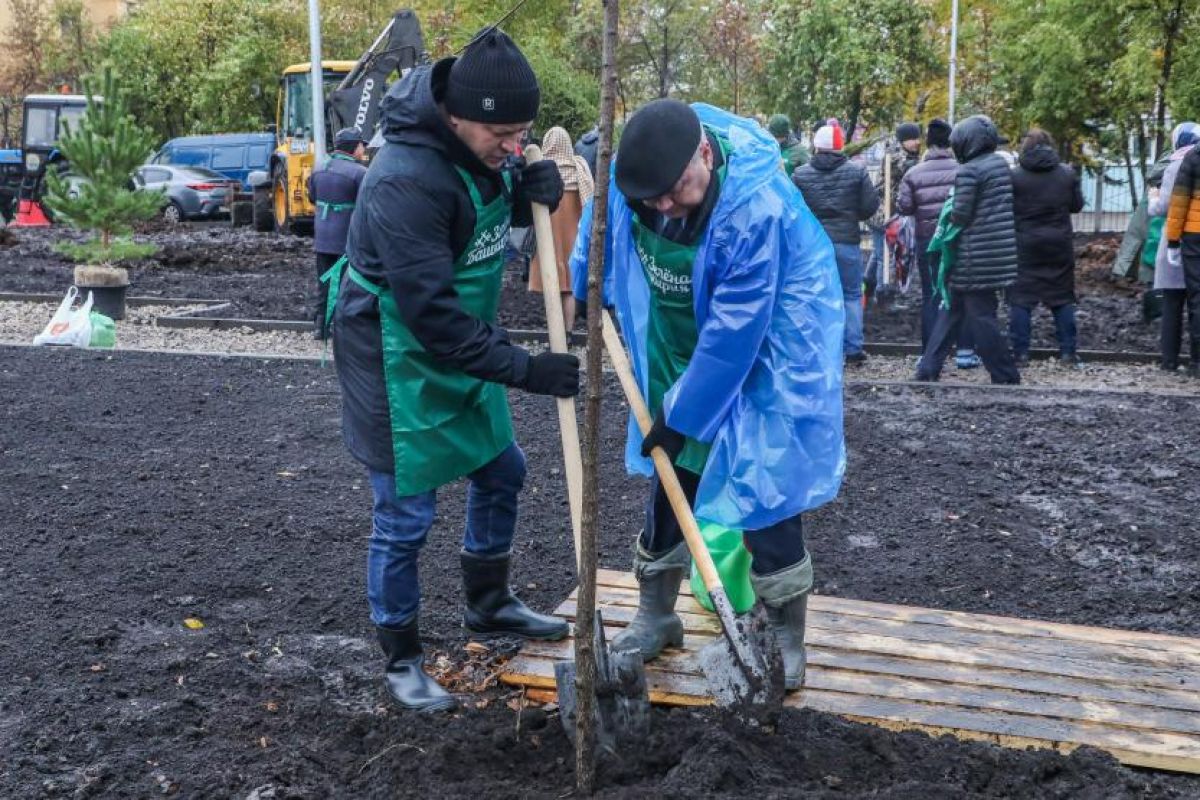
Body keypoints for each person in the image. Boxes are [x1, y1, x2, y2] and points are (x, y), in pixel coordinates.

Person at [325, 29, 578, 714]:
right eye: (503, 134)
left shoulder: (475, 148)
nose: (514, 145)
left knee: (503, 470)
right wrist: (527, 369)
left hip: (462, 340)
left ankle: (488, 604)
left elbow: (479, 213)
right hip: (396, 353)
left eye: (522, 133)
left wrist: (527, 192)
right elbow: (432, 318)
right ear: (455, 116)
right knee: (405, 512)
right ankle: (402, 659)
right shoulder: (404, 181)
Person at [569, 99, 845, 692]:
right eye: (653, 200)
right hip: (677, 339)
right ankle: (656, 614)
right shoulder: (633, 181)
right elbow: (598, 233)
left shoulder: (754, 207)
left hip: (767, 348)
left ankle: (784, 634)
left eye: (677, 191)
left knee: (763, 483)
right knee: (672, 474)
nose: (665, 207)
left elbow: (735, 331)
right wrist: (584, 284)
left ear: (704, 153)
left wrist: (682, 413)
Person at [915, 114, 1020, 384]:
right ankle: (927, 369)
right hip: (994, 251)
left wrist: (945, 216)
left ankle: (1005, 375)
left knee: (981, 317)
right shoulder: (998, 165)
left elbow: (960, 214)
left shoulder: (970, 171)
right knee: (952, 310)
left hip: (973, 256)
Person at [791, 119, 879, 363]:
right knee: (851, 294)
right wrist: (851, 215)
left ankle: (819, 348)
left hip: (813, 246)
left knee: (815, 296)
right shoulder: (857, 172)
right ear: (840, 146)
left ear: (816, 146)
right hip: (846, 241)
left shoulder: (800, 175)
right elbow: (870, 206)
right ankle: (853, 349)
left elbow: (793, 210)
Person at [1008, 128, 1085, 367]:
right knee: (1062, 298)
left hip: (1025, 245)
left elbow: (1008, 208)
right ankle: (1068, 353)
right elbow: (1077, 206)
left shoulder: (1014, 176)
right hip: (1058, 244)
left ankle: (1020, 354)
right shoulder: (1067, 174)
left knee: (1021, 300)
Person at [896, 118, 964, 353]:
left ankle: (930, 350)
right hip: (957, 238)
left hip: (928, 240)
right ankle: (963, 350)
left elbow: (904, 207)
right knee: (960, 291)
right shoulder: (963, 171)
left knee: (930, 293)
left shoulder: (913, 173)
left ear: (928, 142)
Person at [529, 126, 593, 331]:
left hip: (548, 237)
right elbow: (589, 202)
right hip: (574, 239)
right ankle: (568, 331)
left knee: (552, 284)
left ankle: (554, 332)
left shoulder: (542, 173)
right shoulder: (579, 170)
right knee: (569, 287)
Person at [307, 128, 368, 340]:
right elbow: (366, 205)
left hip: (323, 239)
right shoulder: (359, 173)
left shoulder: (319, 168)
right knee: (347, 285)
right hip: (346, 240)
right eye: (361, 145)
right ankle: (345, 329)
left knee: (324, 283)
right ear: (354, 147)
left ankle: (321, 326)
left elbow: (312, 197)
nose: (363, 149)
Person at [1159, 122, 1200, 375]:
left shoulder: (1192, 158)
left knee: (1196, 298)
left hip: (1194, 236)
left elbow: (1179, 202)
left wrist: (1173, 240)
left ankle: (1196, 362)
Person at [865, 122, 923, 299]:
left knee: (878, 252)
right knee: (883, 254)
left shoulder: (910, 155)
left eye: (917, 138)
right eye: (912, 139)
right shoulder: (895, 156)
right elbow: (908, 166)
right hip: (881, 213)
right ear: (903, 140)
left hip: (891, 213)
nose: (917, 142)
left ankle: (868, 281)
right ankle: (881, 291)